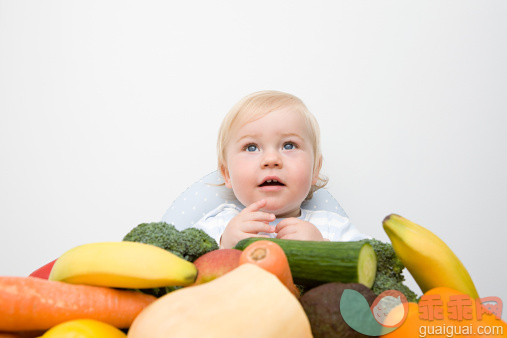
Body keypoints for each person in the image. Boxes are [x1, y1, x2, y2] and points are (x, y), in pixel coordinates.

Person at [194, 90, 369, 249]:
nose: (271, 160)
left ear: (315, 170)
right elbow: (180, 270)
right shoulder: (218, 227)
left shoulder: (332, 228)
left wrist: (323, 248)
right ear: (226, 174)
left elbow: (374, 269)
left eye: (289, 145)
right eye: (251, 147)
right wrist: (224, 245)